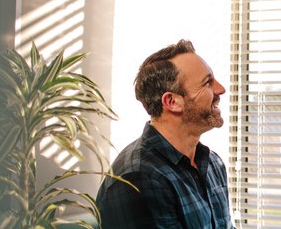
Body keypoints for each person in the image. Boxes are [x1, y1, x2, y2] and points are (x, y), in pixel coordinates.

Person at [96, 39, 233, 228]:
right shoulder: (139, 177)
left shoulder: (213, 164)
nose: (221, 89)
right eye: (207, 82)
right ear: (172, 102)